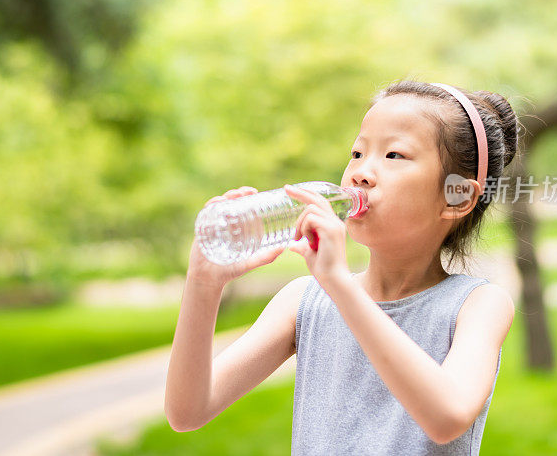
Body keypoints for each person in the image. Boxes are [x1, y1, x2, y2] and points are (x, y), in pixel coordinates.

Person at [164, 79, 518, 455]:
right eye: (357, 153)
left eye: (394, 155)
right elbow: (187, 412)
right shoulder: (303, 301)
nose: (360, 173)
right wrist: (202, 282)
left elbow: (448, 417)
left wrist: (339, 285)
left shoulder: (478, 305)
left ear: (457, 197)